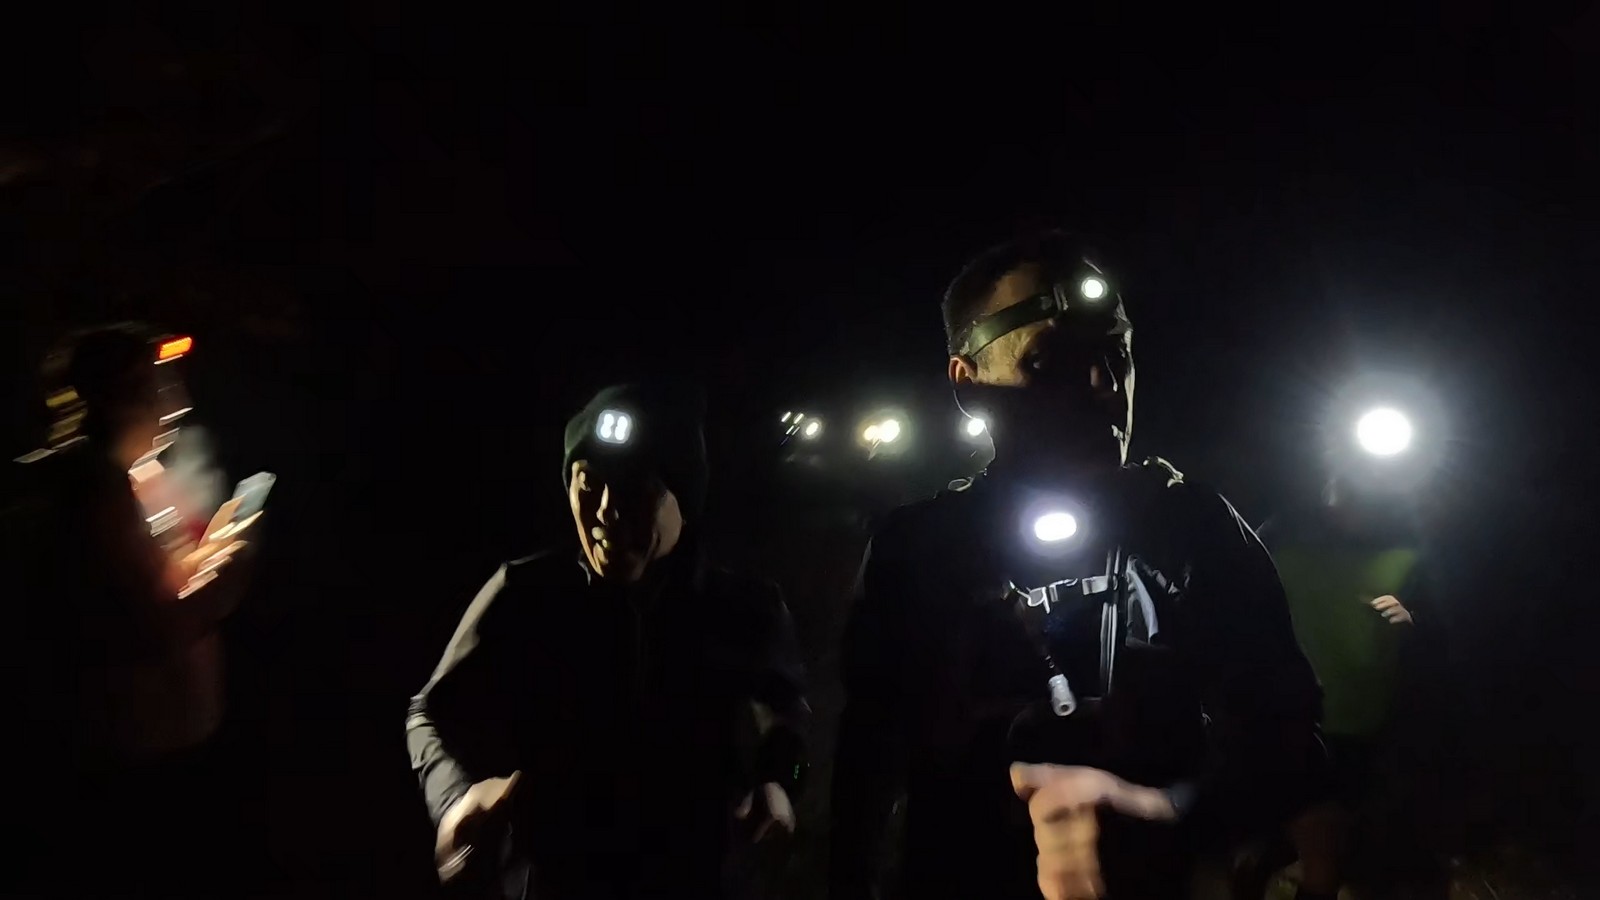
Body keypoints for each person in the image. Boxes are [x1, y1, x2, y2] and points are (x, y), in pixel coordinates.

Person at [830, 231, 1327, 900]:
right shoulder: (919, 548)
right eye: (1051, 360)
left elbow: (1287, 743)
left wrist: (1161, 808)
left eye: (1115, 354)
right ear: (969, 383)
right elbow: (867, 759)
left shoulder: (1194, 530)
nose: (1103, 385)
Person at [406, 383, 809, 900]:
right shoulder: (525, 593)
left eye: (635, 489)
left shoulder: (745, 607)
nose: (606, 512)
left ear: (683, 498)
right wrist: (453, 799)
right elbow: (428, 711)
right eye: (588, 484)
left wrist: (781, 780)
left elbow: (788, 714)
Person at [2, 324, 248, 897]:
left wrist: (200, 558)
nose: (174, 401)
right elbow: (156, 623)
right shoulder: (96, 496)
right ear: (119, 400)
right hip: (137, 754)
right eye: (158, 387)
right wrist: (231, 571)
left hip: (164, 742)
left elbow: (157, 583)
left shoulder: (133, 477)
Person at [1232, 475, 1448, 900]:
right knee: (1278, 839)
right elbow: (1232, 599)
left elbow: (1443, 633)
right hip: (1283, 717)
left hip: (1356, 723)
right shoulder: (1281, 533)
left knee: (1323, 849)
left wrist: (1413, 619)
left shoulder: (1410, 547)